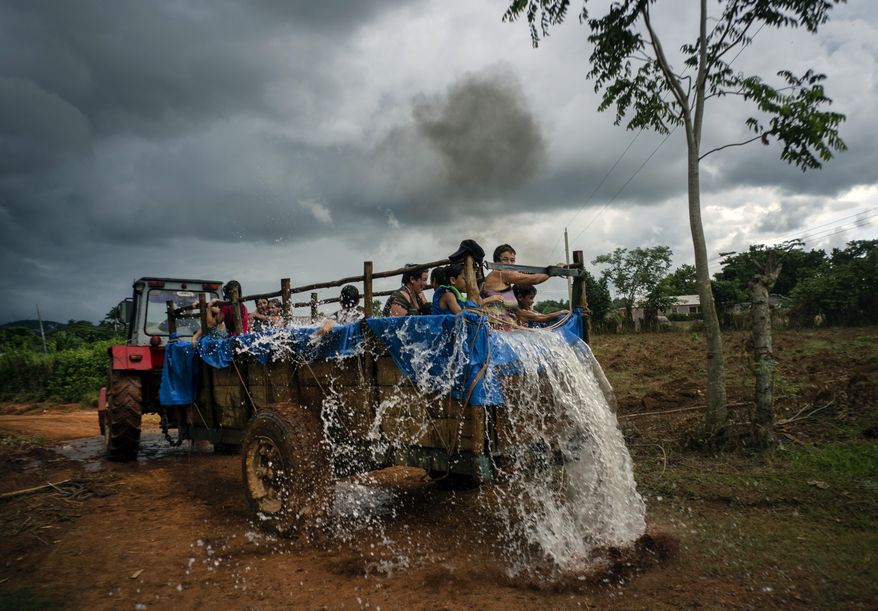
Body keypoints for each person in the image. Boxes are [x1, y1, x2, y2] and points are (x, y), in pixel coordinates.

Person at [432, 263, 503, 315]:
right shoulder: (449, 296)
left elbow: (474, 304)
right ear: (453, 280)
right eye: (465, 279)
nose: (469, 283)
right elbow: (459, 313)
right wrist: (475, 310)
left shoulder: (460, 296)